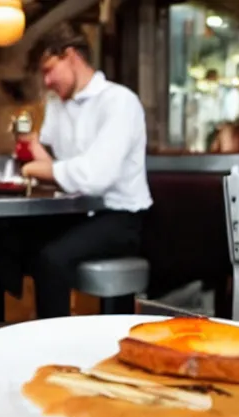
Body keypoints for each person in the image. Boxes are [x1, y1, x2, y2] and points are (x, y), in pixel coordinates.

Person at [15, 22, 153, 318]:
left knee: (51, 259)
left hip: (121, 216)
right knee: (8, 241)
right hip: (75, 212)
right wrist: (29, 145)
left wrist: (36, 170)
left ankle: (56, 344)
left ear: (72, 56)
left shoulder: (119, 102)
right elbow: (50, 161)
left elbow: (94, 176)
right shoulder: (58, 105)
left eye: (49, 69)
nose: (47, 81)